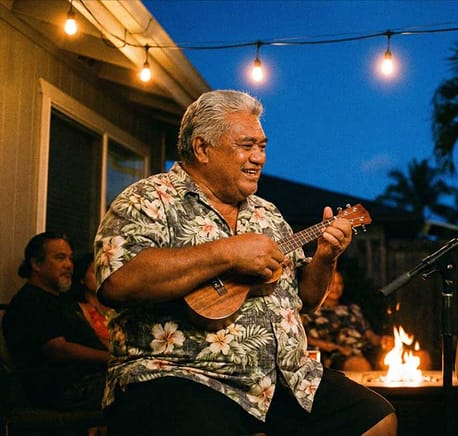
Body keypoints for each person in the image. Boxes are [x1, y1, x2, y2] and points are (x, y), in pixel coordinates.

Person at [93, 90, 396, 436]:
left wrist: (326, 259)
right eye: (246, 145)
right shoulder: (148, 199)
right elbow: (118, 282)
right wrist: (227, 252)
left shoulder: (268, 213)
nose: (259, 158)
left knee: (377, 419)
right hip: (181, 375)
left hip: (283, 380)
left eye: (262, 146)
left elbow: (306, 301)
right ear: (202, 148)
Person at [3, 232, 110, 410]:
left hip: (95, 379)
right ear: (36, 264)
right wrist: (110, 359)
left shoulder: (63, 301)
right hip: (65, 389)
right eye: (60, 258)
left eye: (70, 258)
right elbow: (58, 350)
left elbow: (91, 339)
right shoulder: (30, 301)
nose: (69, 265)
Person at [303, 271, 393, 371]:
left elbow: (370, 335)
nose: (336, 288)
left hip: (365, 350)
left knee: (395, 357)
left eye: (340, 283)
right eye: (332, 283)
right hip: (336, 355)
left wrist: (382, 340)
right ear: (323, 285)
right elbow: (308, 339)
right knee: (359, 364)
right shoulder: (310, 313)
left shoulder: (352, 309)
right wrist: (336, 347)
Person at [68, 253, 114, 351]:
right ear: (82, 278)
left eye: (103, 271)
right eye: (95, 272)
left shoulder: (114, 306)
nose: (101, 276)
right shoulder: (81, 309)